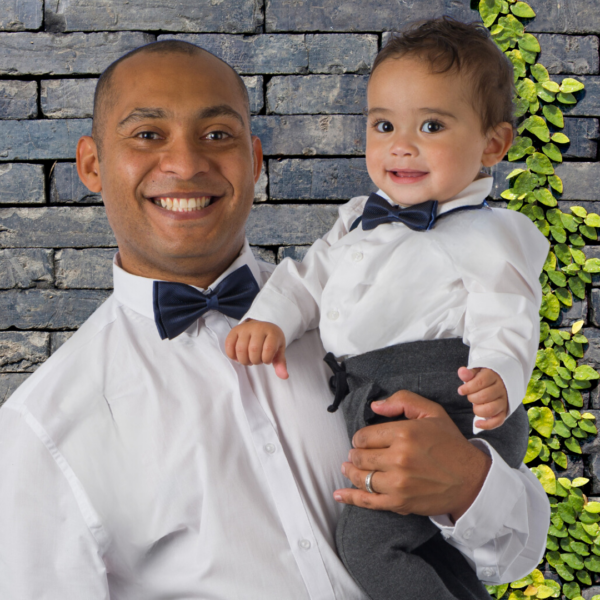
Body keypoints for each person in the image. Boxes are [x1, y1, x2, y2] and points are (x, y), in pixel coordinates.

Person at [0, 39, 549, 599]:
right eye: (147, 135)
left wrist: (468, 486)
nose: (187, 164)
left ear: (256, 161)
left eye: (218, 136)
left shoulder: (361, 318)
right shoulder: (42, 428)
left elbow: (514, 552)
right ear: (91, 165)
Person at [226, 18, 550, 600]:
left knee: (370, 544)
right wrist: (270, 318)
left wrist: (499, 375)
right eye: (383, 124)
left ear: (493, 145)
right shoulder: (357, 219)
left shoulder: (491, 234)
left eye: (431, 125)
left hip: (453, 398)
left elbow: (509, 313)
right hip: (370, 395)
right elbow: (307, 278)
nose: (401, 144)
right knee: (426, 549)